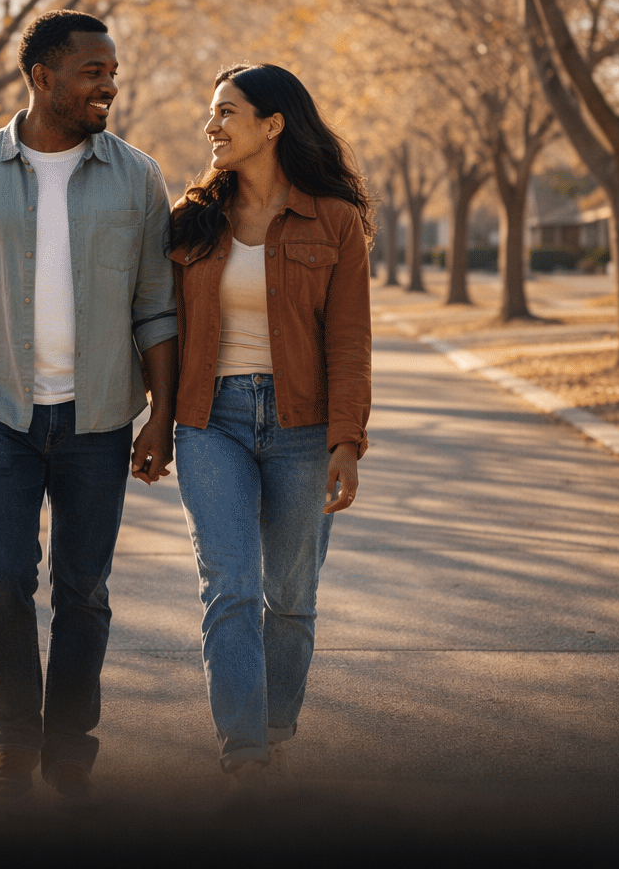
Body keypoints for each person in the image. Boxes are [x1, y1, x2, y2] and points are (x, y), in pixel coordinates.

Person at [0, 9, 177, 800]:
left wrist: (161, 417)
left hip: (100, 420)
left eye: (112, 72)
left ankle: (68, 746)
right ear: (42, 76)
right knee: (2, 579)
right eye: (93, 71)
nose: (109, 86)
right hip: (1, 415)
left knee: (83, 591)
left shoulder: (138, 176)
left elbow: (157, 307)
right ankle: (14, 739)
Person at [167, 63, 372, 800]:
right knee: (229, 586)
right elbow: (162, 327)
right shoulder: (191, 219)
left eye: (227, 112)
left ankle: (276, 728)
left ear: (273, 123)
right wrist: (156, 421)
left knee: (289, 595)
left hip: (302, 426)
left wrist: (346, 440)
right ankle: (244, 752)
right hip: (210, 422)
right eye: (212, 113)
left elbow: (349, 337)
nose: (212, 126)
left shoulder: (334, 221)